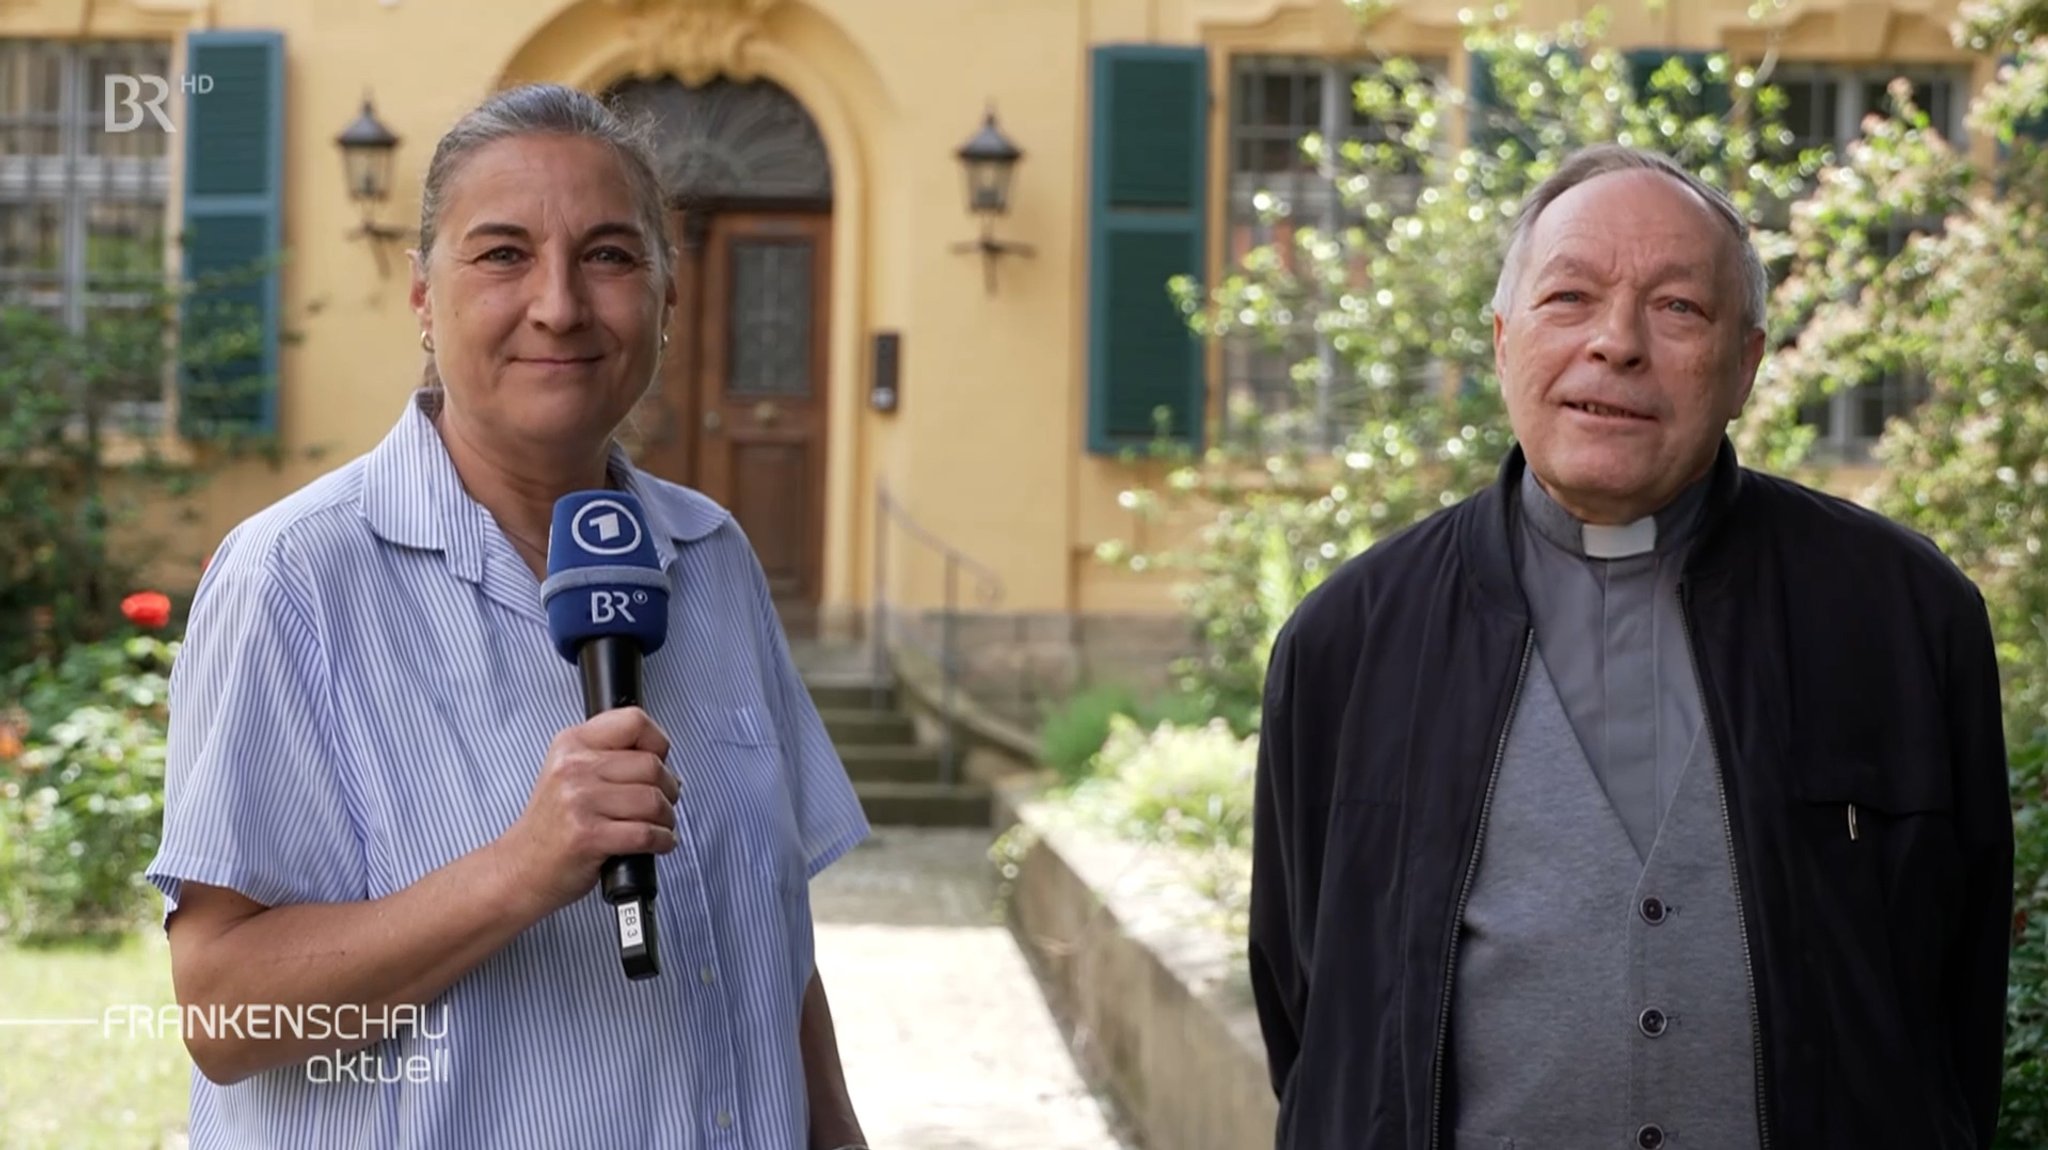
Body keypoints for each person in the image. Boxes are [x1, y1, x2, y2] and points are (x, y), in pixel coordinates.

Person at [147, 83, 874, 1149]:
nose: (560, 305)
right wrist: (518, 870)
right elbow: (223, 1010)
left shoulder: (711, 557)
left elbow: (770, 944)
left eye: (610, 256)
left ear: (668, 299)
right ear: (423, 297)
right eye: (501, 255)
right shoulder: (295, 578)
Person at [1247, 143, 2014, 1150]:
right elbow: (1307, 1007)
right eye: (1567, 297)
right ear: (1499, 339)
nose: (1614, 343)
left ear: (1743, 364)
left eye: (1676, 308)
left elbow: (1951, 1005)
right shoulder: (1344, 641)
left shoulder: (1904, 617)